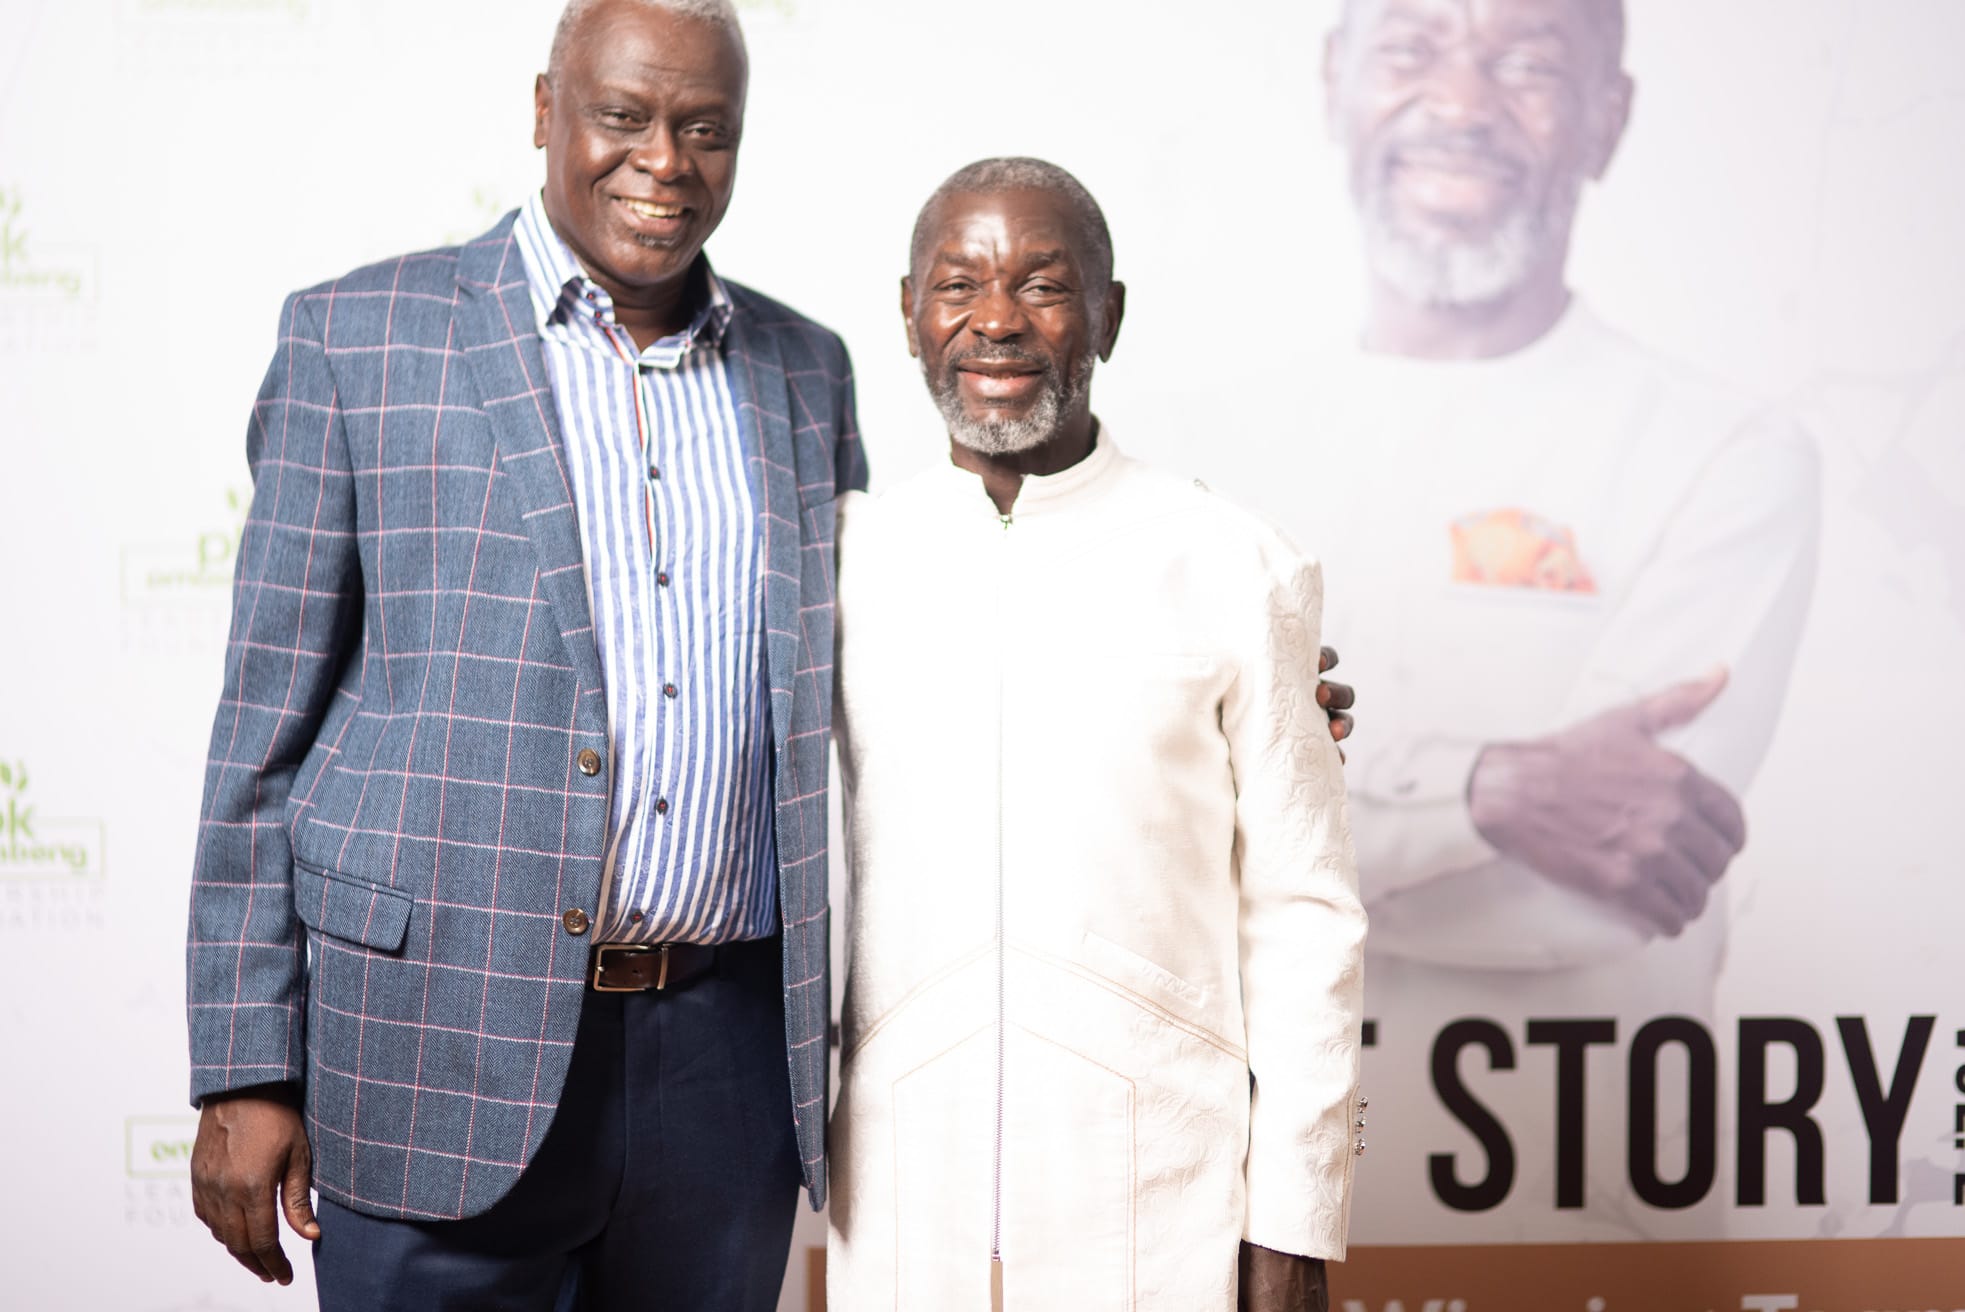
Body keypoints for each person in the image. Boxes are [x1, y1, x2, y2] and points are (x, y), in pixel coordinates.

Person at [184, 2, 866, 1306]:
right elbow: (260, 734)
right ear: (547, 110)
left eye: (705, 128)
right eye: (624, 116)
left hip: (723, 1075)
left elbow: (855, 690)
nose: (664, 160)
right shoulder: (359, 339)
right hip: (432, 1043)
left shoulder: (806, 373)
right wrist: (245, 1062)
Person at [1258, 0, 1819, 1241]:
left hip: (1584, 1222)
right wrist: (1488, 795)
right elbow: (1146, 835)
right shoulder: (1215, 442)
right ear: (1336, 79)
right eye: (1413, 48)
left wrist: (1264, 848)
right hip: (1271, 1223)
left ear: (1609, 118)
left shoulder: (1727, 456)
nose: (1461, 104)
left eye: (1525, 63)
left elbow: (1596, 894)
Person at [826, 158, 1367, 1311]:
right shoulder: (837, 565)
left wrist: (1294, 1224)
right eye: (958, 284)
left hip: (1161, 1207)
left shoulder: (1231, 562)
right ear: (910, 314)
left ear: (1108, 316)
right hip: (902, 1191)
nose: (997, 319)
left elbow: (1305, 917)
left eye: (1043, 284)